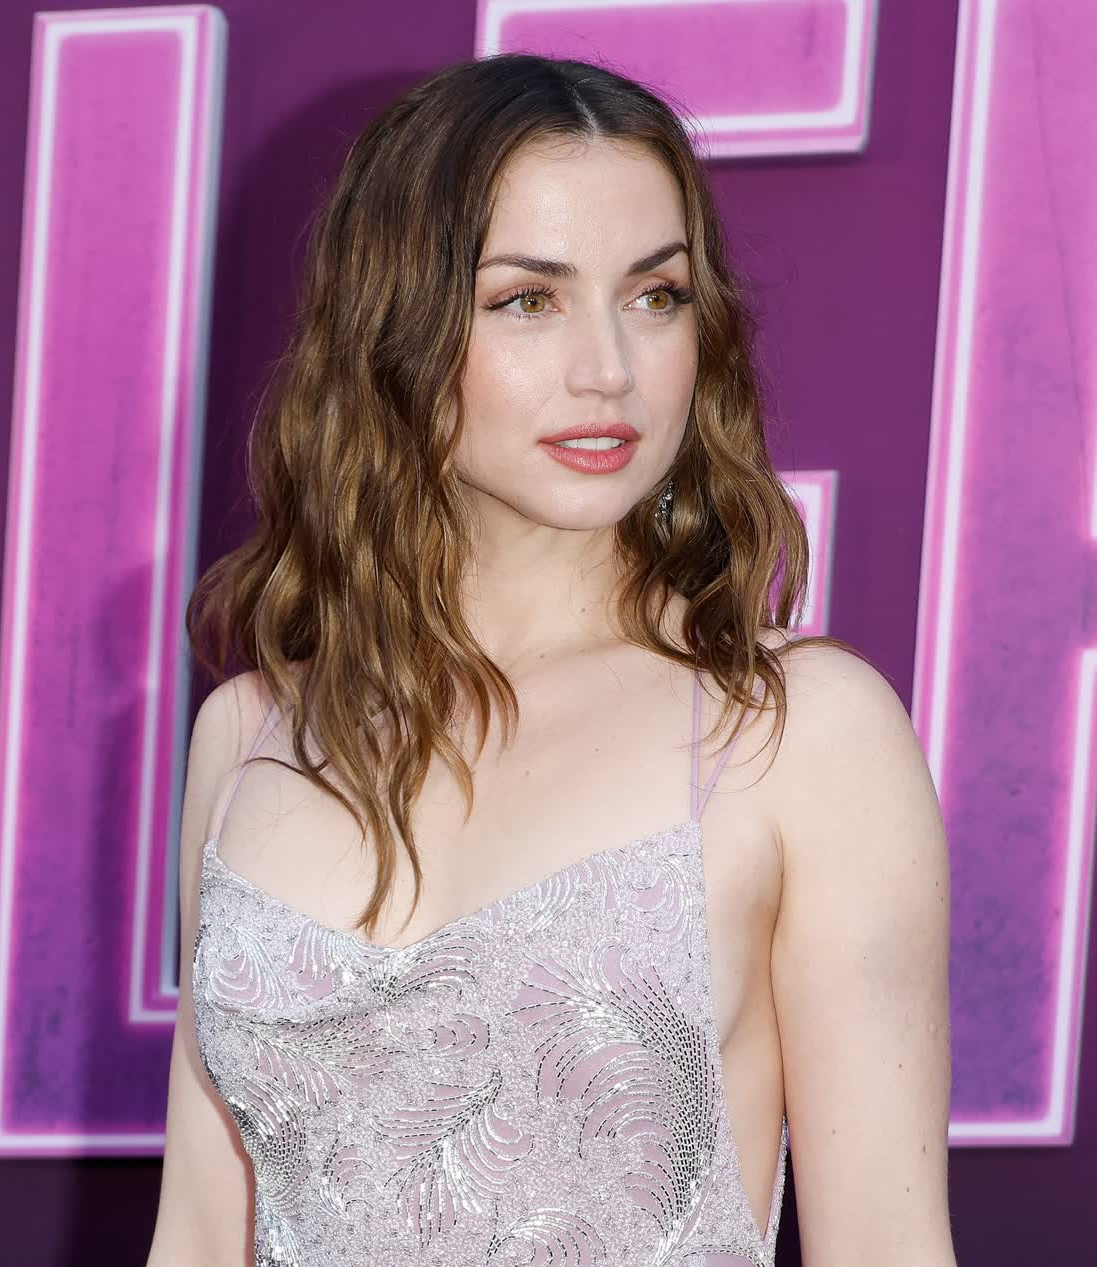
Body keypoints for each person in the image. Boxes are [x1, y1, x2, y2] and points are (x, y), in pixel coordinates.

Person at [145, 52, 956, 1267]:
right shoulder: (254, 733)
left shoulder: (797, 731)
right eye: (528, 299)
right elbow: (202, 1234)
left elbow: (888, 1247)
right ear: (394, 328)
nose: (608, 369)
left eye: (656, 296)